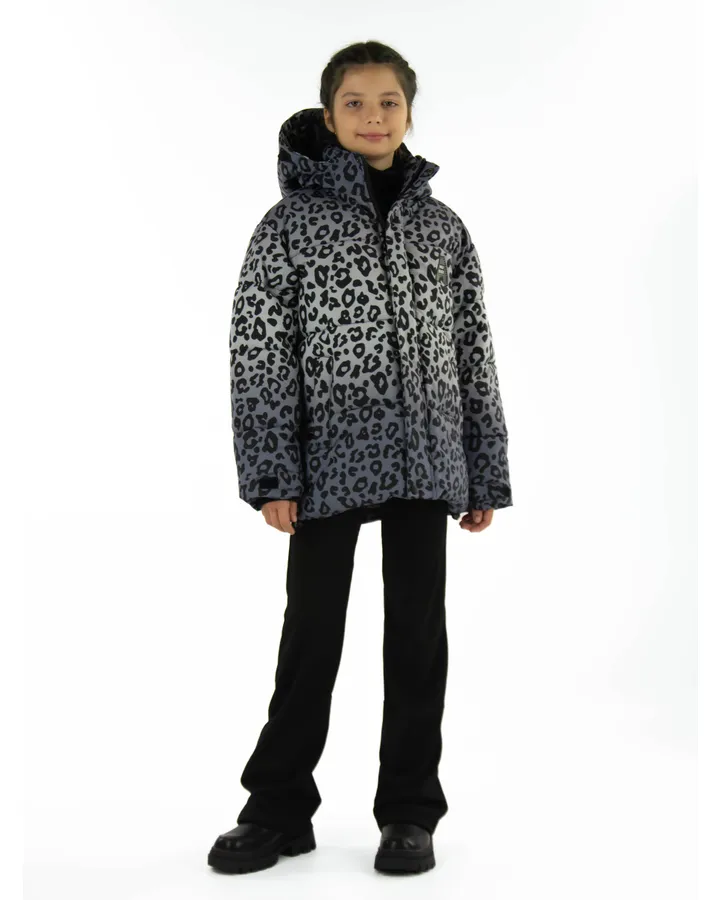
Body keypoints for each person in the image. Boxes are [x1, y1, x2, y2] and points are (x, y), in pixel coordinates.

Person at [208, 40, 513, 877]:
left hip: (427, 458)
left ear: (408, 112)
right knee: (311, 635)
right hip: (328, 460)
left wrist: (483, 469)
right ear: (329, 113)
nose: (373, 117)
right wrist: (272, 474)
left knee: (417, 637)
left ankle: (409, 811)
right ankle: (278, 808)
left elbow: (473, 351)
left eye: (388, 102)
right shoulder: (289, 226)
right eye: (355, 103)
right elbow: (259, 352)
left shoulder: (442, 229)